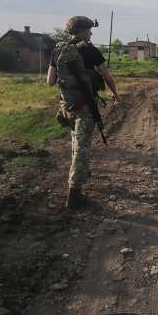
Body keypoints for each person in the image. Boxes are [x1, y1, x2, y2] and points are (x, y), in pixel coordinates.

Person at [47, 16, 119, 208]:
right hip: (86, 106)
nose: (91, 33)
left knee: (75, 142)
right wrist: (115, 94)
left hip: (67, 106)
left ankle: (81, 174)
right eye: (88, 30)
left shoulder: (57, 50)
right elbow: (107, 76)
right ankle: (74, 195)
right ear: (79, 31)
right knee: (83, 148)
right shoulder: (90, 51)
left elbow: (50, 80)